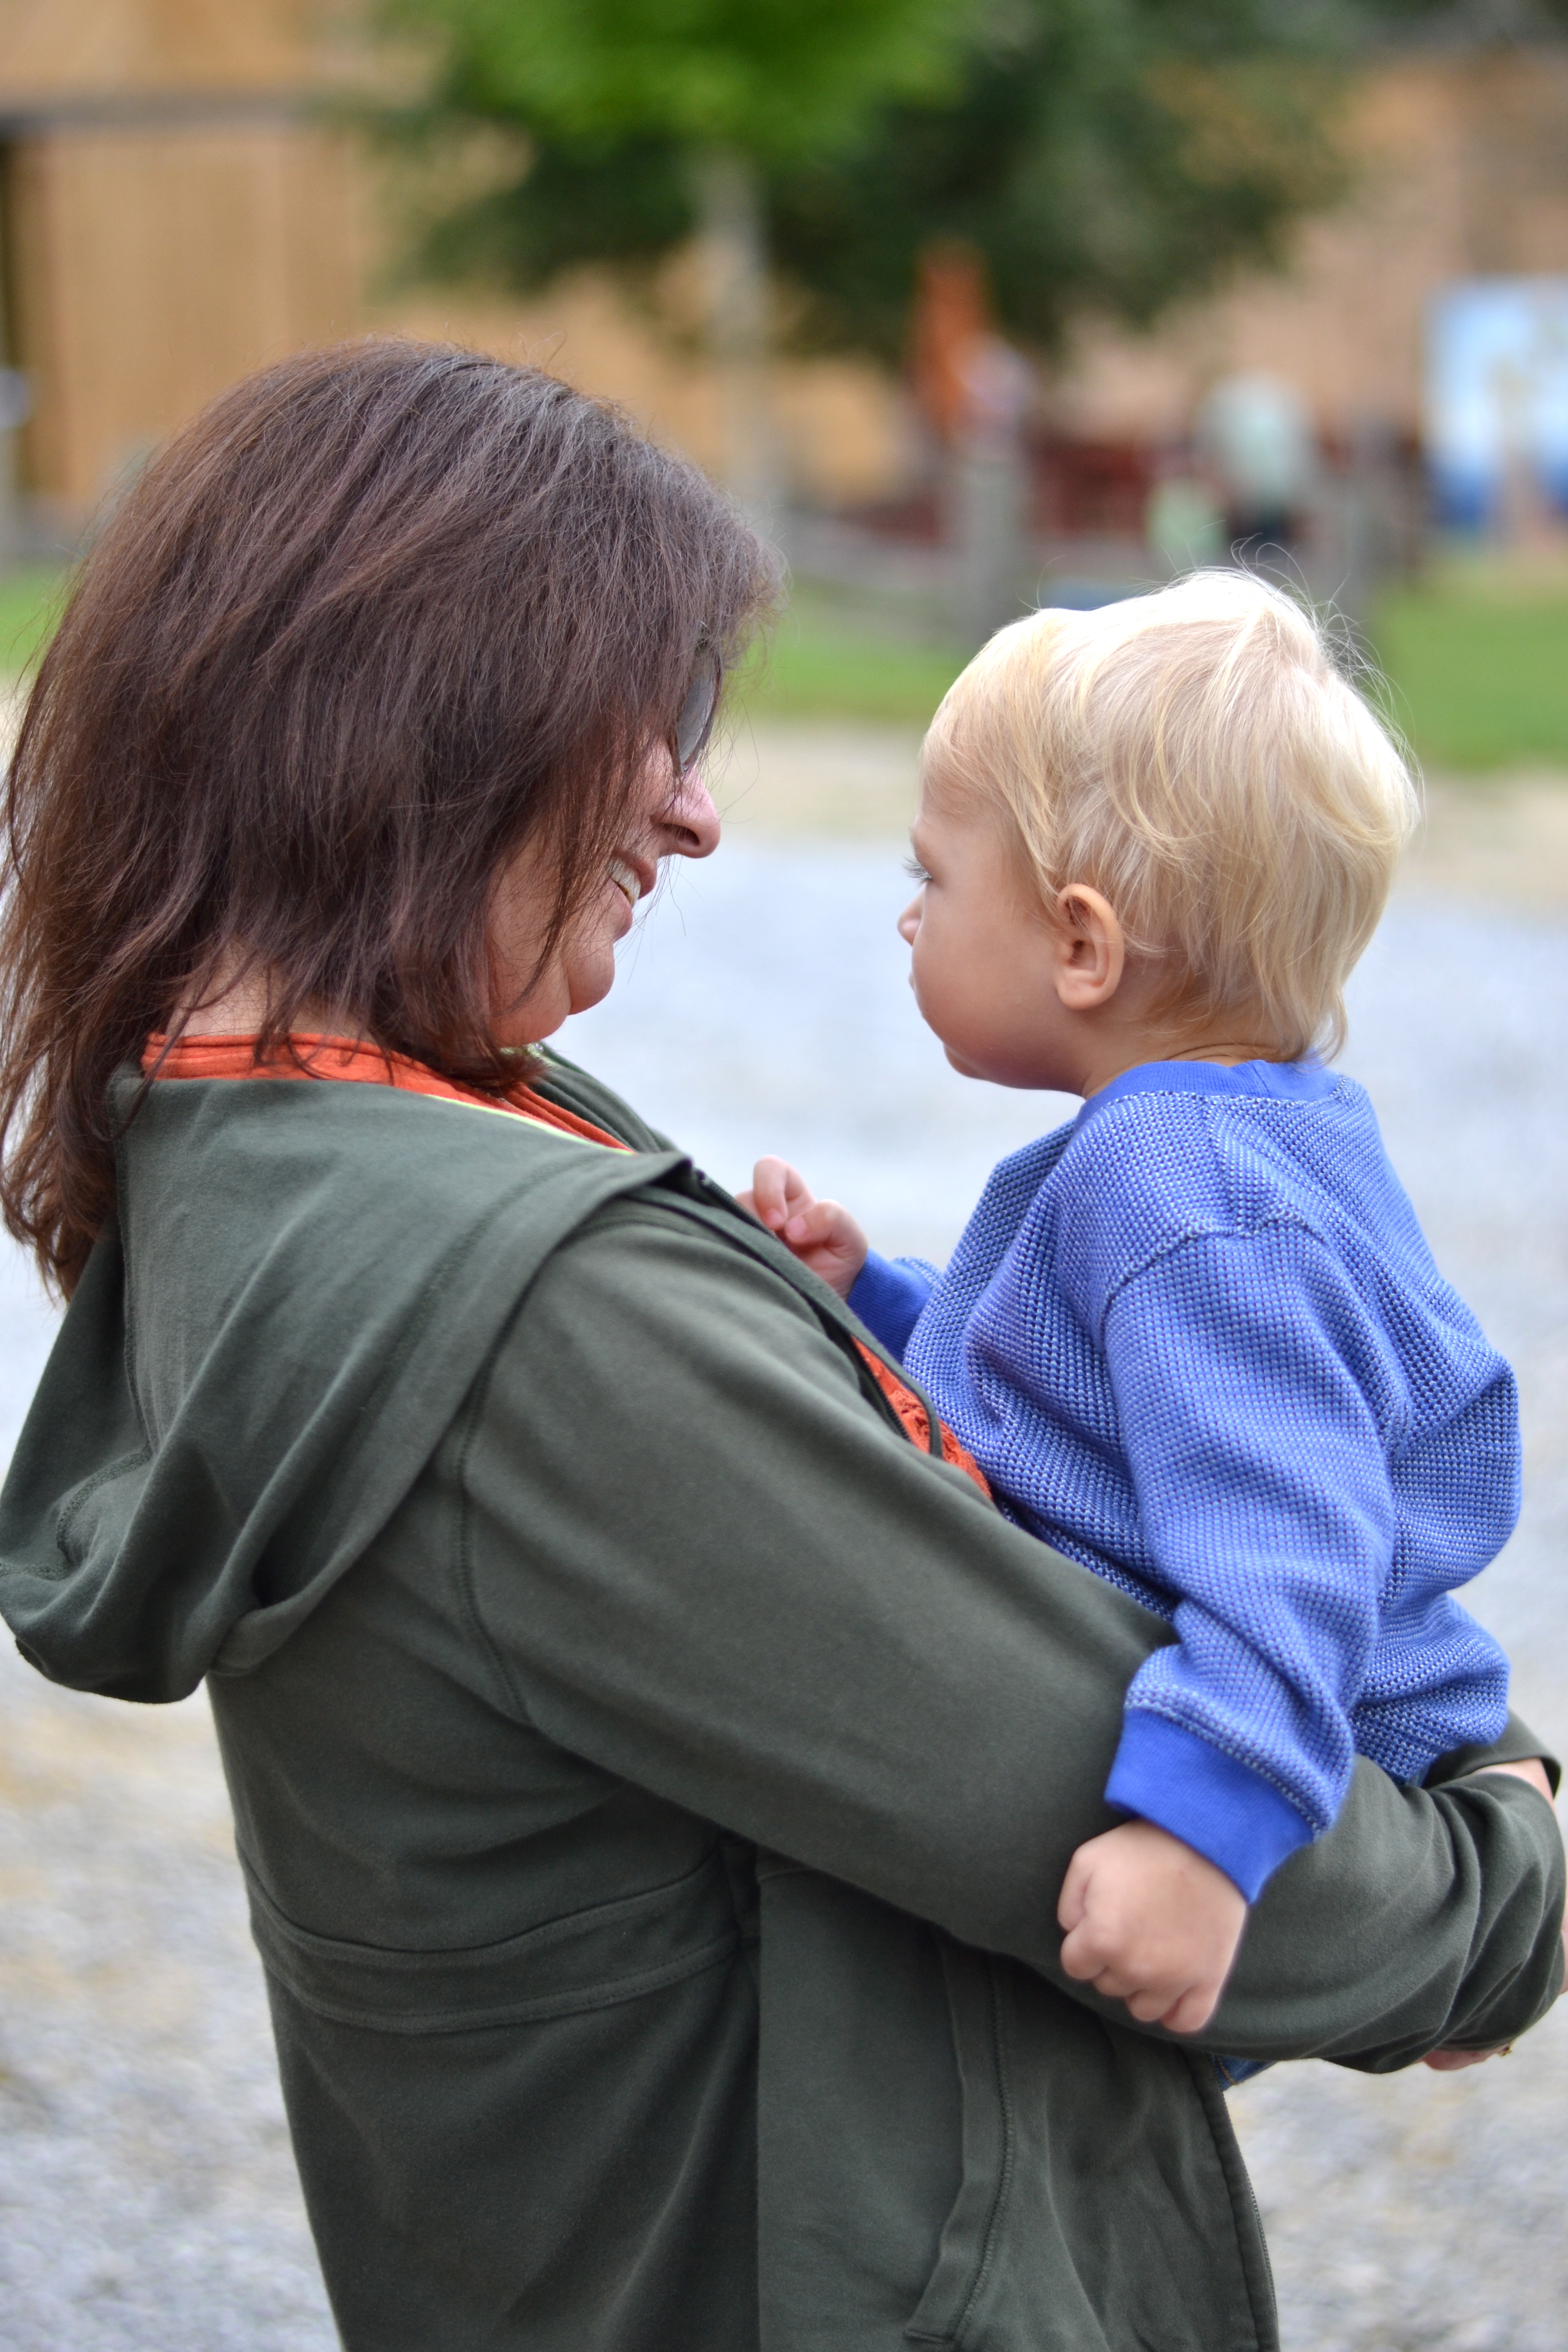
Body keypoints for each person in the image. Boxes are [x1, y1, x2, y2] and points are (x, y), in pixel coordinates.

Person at [0, 346, 1561, 2352]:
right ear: (417, 717)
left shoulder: (291, 1139)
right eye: (648, 718)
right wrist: (1506, 1864)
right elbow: (1060, 1789)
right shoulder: (538, 1316)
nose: (699, 809)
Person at [744, 574, 1529, 2042]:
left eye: (933, 878)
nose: (908, 920)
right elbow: (1087, 1387)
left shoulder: (1176, 1188)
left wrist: (1198, 1840)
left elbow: (1290, 1528)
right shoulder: (1255, 1136)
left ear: (1083, 947)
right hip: (1323, 1711)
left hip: (1283, 1755)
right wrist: (881, 1298)